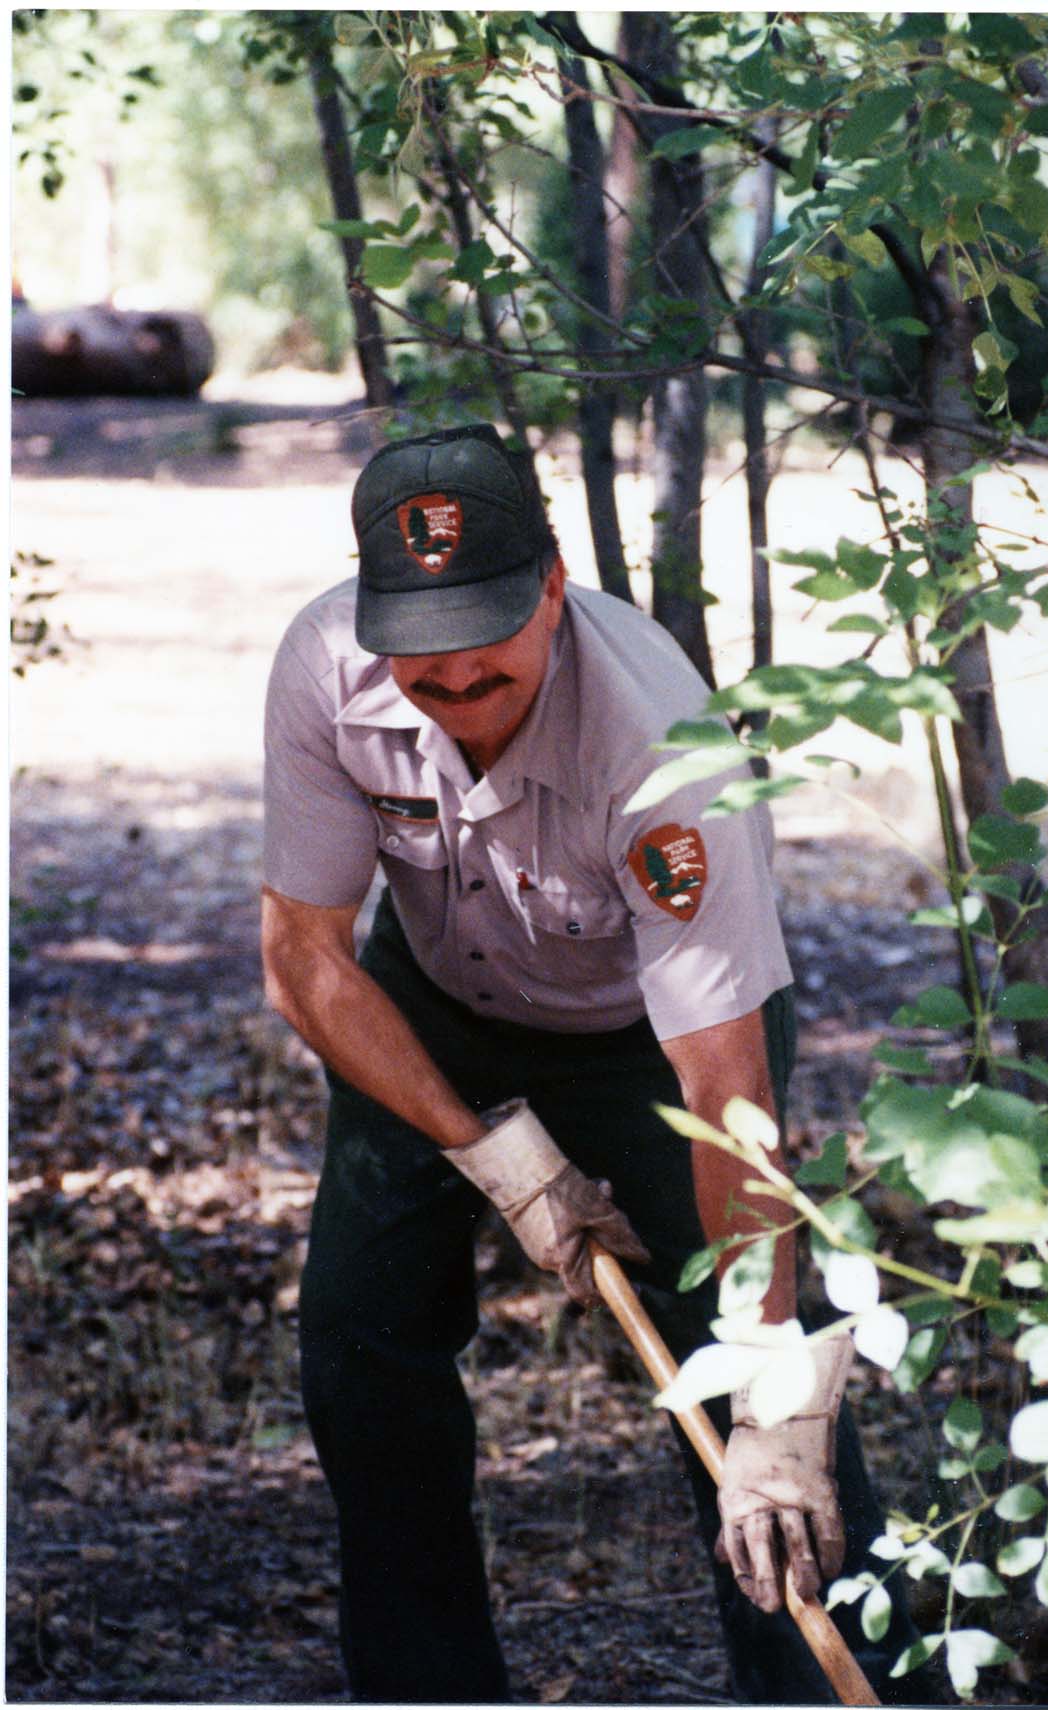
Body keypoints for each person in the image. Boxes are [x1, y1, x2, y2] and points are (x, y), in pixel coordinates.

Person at [261, 423, 908, 1704]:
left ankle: (829, 1682)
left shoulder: (664, 749)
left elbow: (725, 1088)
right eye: (420, 671)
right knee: (358, 1343)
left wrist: (775, 1382)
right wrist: (493, 1154)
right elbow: (309, 959)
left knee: (740, 1385)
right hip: (432, 1001)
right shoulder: (324, 666)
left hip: (650, 1045)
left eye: (485, 670)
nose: (450, 696)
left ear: (551, 586)